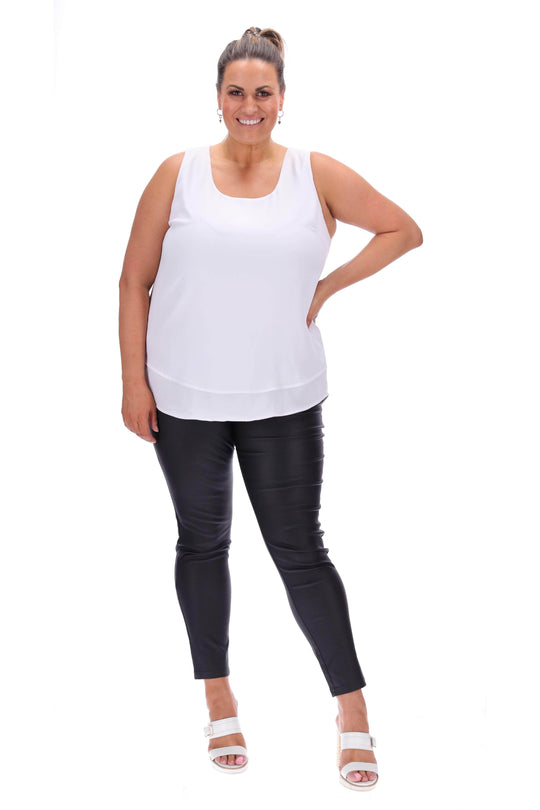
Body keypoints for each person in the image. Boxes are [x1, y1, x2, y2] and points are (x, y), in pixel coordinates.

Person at [118, 26, 422, 790]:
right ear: (217, 98)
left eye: (262, 92)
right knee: (202, 544)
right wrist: (133, 383)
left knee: (301, 552)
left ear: (282, 100)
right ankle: (218, 694)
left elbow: (403, 230)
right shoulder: (176, 174)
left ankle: (351, 707)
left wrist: (329, 286)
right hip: (184, 399)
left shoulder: (314, 174)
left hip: (283, 398)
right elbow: (133, 281)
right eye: (235, 92)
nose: (248, 105)